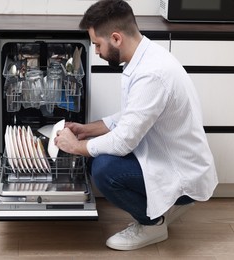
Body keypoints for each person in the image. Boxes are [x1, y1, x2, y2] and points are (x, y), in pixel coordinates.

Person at [54, 0, 218, 251]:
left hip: (180, 173)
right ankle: (167, 205)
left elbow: (123, 142)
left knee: (104, 168)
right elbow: (132, 115)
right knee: (98, 151)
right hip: (168, 159)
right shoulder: (146, 55)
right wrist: (87, 130)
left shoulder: (150, 73)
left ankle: (152, 225)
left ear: (116, 38)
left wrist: (77, 147)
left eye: (97, 44)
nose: (95, 51)